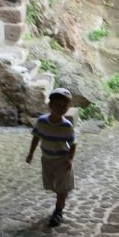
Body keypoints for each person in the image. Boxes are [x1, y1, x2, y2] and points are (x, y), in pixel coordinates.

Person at [26, 87, 77, 227]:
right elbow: (36, 137)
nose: (61, 108)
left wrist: (70, 159)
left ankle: (58, 211)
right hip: (47, 159)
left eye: (65, 105)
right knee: (50, 185)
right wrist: (31, 153)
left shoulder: (67, 126)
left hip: (62, 161)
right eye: (58, 105)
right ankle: (62, 193)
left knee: (62, 188)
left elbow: (73, 144)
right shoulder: (42, 122)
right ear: (50, 106)